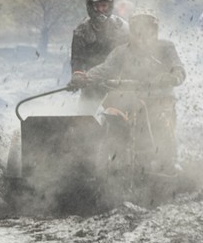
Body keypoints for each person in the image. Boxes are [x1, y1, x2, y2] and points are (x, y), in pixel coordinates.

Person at [68, 9, 186, 174]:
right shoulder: (121, 51)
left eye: (148, 33)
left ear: (155, 33)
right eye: (138, 33)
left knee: (162, 119)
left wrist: (172, 77)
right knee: (110, 111)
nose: (143, 37)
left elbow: (178, 68)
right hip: (127, 97)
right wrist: (85, 77)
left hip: (159, 97)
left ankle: (169, 160)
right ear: (131, 33)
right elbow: (105, 68)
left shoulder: (166, 47)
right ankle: (101, 155)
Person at [70, 0, 129, 75]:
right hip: (91, 77)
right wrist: (78, 74)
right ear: (90, 7)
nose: (100, 10)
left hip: (117, 77)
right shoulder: (82, 30)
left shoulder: (121, 27)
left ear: (110, 6)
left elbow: (130, 52)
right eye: (96, 6)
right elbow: (77, 58)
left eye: (104, 6)